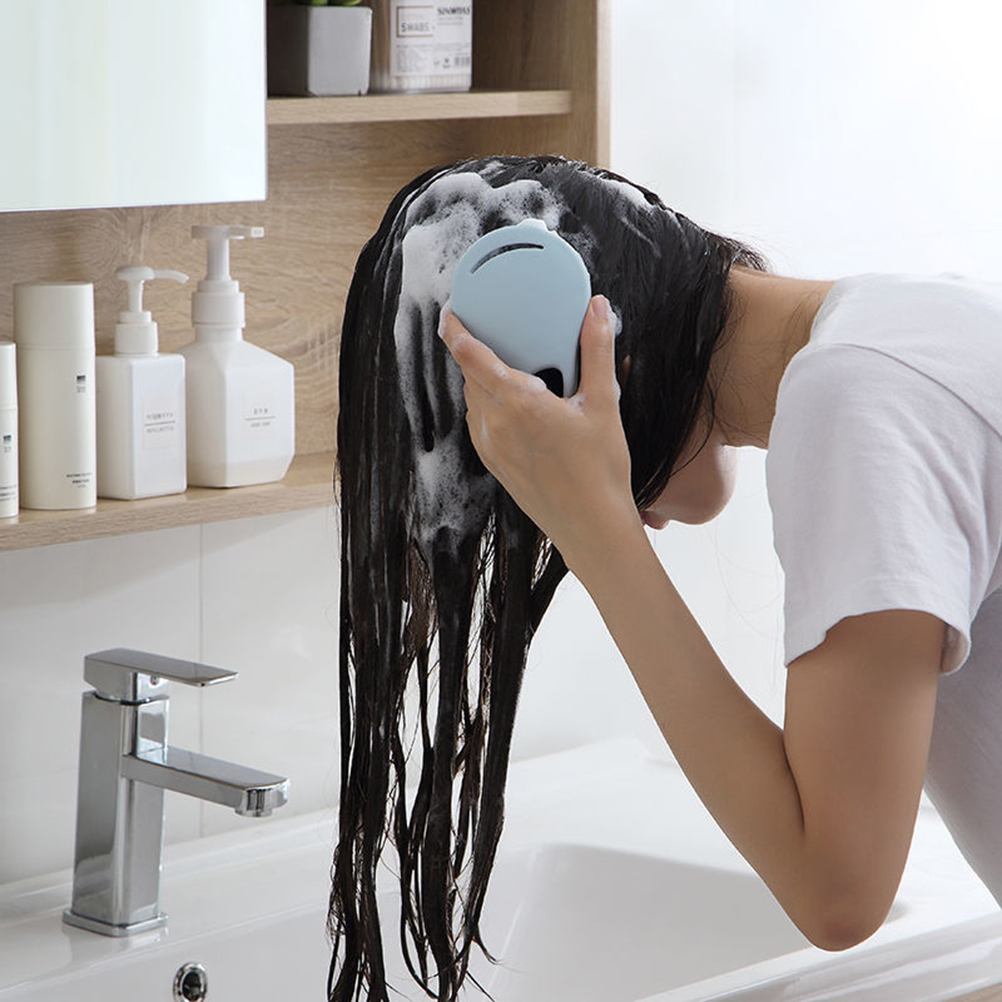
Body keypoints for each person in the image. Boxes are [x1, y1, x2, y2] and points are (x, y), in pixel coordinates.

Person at [440, 261, 1002, 952]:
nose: (643, 515)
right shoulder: (914, 316)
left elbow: (838, 893)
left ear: (594, 358)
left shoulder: (856, 391)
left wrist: (594, 526)